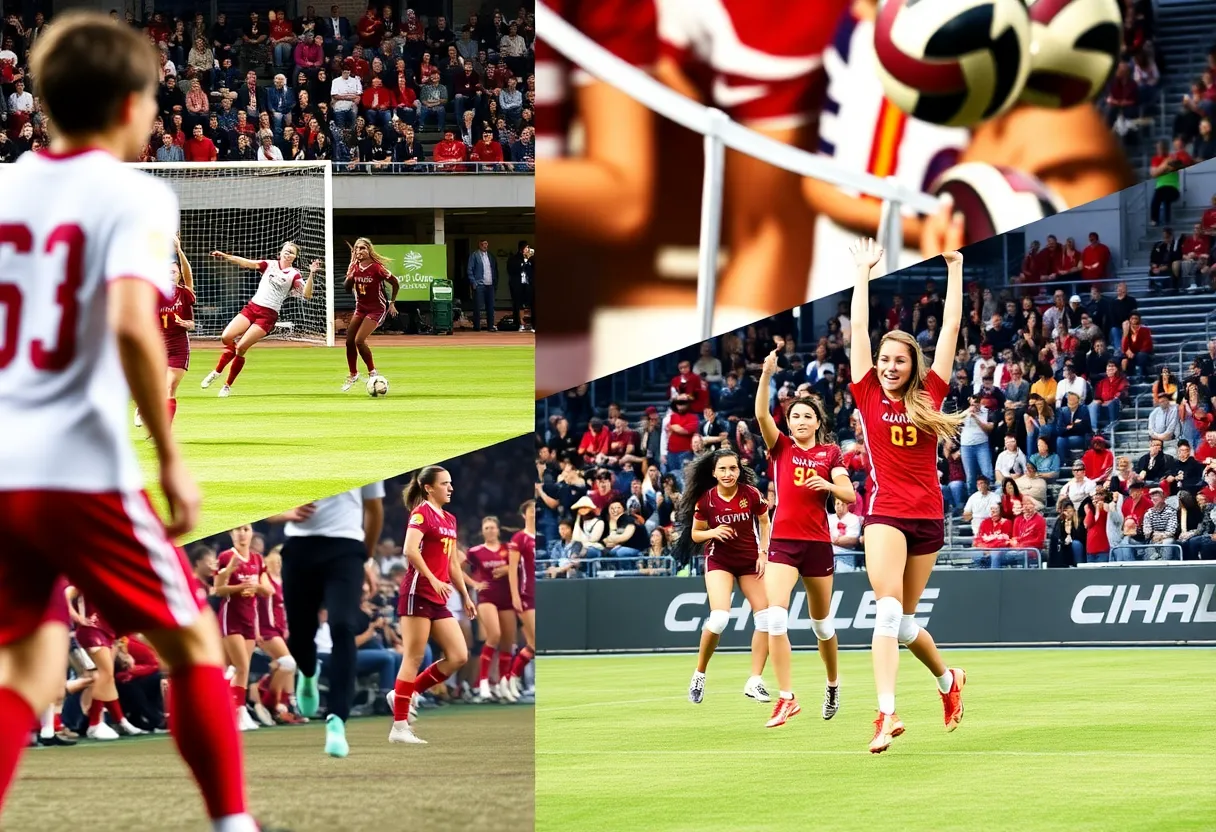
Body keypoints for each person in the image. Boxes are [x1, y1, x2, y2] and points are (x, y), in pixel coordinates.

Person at [0, 14, 254, 830]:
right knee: (194, 645)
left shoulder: (5, 188)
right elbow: (132, 325)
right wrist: (170, 455)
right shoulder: (135, 194)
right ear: (128, 105)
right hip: (77, 466)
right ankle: (233, 823)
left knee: (28, 666)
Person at [848, 233, 967, 754]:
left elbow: (951, 327)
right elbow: (857, 327)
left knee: (903, 624)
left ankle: (948, 679)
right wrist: (863, 274)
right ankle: (886, 714)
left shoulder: (930, 392)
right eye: (884, 359)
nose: (890, 366)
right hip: (884, 514)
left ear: (912, 364)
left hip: (927, 518)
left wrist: (955, 268)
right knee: (888, 612)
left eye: (899, 360)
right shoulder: (866, 390)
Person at [755, 346, 853, 728]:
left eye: (806, 415)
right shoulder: (780, 447)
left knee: (821, 626)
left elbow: (849, 494)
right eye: (794, 415)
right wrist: (767, 374)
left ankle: (833, 684)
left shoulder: (830, 453)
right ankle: (786, 698)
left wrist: (827, 484)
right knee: (775, 617)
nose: (799, 420)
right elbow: (761, 414)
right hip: (783, 543)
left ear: (816, 422)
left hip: (817, 546)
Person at [266, 481, 384, 756]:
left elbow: (374, 509)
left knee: (342, 626)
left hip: (346, 549)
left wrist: (365, 559)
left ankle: (337, 719)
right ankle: (309, 672)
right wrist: (285, 513)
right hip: (299, 548)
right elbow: (261, 505)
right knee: (300, 634)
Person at [676, 449, 772, 705]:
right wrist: (713, 532)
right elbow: (696, 534)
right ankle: (699, 674)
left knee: (766, 618)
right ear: (714, 473)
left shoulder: (751, 494)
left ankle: (755, 681)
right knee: (719, 619)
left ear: (739, 470)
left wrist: (763, 553)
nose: (728, 473)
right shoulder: (706, 501)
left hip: (750, 561)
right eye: (723, 469)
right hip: (720, 561)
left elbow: (765, 522)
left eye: (733, 468)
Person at [387, 467, 475, 744]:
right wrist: (433, 579)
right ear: (428, 488)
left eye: (450, 483)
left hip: (439, 596)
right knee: (413, 657)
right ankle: (399, 727)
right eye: (445, 483)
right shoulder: (421, 513)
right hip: (418, 592)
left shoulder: (449, 519)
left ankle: (407, 693)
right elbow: (409, 550)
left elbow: (452, 563)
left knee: (459, 655)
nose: (450, 488)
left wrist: (465, 595)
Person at [201, 244, 321, 396]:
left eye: (291, 253)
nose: (288, 254)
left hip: (268, 315)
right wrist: (226, 256)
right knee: (226, 337)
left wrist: (311, 274)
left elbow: (307, 295)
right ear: (280, 252)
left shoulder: (293, 274)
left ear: (295, 257)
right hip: (252, 307)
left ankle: (227, 386)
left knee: (241, 348)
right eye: (286, 251)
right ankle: (218, 371)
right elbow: (247, 263)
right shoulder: (270, 265)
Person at [63, 587, 144, 739]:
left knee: (107, 677)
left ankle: (120, 720)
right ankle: (95, 723)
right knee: (103, 675)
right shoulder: (88, 579)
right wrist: (78, 618)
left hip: (109, 633)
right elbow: (66, 594)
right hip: (92, 630)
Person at [214, 525, 271, 732]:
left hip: (249, 617)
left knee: (240, 669)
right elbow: (218, 589)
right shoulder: (226, 556)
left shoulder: (257, 559)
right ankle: (238, 711)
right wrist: (236, 581)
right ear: (231, 534)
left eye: (246, 529)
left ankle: (236, 710)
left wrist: (257, 587)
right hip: (231, 617)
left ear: (251, 532)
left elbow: (268, 590)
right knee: (242, 667)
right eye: (237, 529)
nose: (242, 533)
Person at [134, 236, 194, 430]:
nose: (171, 274)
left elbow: (191, 324)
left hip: (178, 347)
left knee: (169, 388)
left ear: (179, 275)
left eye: (174, 272)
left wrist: (179, 251)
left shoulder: (184, 292)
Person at [465, 516, 519, 702]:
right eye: (486, 528)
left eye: (492, 527)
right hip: (487, 597)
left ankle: (503, 683)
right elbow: (456, 567)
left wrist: (507, 568)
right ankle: (483, 682)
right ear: (482, 531)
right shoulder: (476, 551)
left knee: (507, 643)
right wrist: (474, 584)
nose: (489, 531)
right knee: (494, 634)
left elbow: (521, 566)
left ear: (498, 529)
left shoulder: (508, 548)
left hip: (507, 597)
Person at [341, 237, 399, 391]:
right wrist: (349, 275)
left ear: (369, 250)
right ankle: (353, 374)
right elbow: (347, 288)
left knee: (359, 340)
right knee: (349, 341)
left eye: (362, 248)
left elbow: (395, 282)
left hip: (377, 309)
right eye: (357, 248)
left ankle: (373, 372)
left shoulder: (377, 268)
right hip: (361, 307)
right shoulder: (355, 267)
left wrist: (392, 302)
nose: (359, 251)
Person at [504, 500, 537, 697]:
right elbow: (512, 569)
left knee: (533, 645)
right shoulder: (519, 538)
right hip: (526, 594)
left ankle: (511, 679)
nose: (534, 514)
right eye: (531, 511)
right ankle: (511, 679)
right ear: (524, 515)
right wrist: (515, 595)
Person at [466, 238, 499, 332]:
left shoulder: (490, 256)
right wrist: (473, 282)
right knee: (478, 306)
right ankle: (477, 326)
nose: (485, 246)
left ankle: (490, 326)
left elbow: (494, 270)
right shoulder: (474, 255)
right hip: (479, 284)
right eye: (483, 244)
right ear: (479, 245)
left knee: (490, 306)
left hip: (490, 284)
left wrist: (495, 282)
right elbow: (470, 269)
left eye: (486, 244)